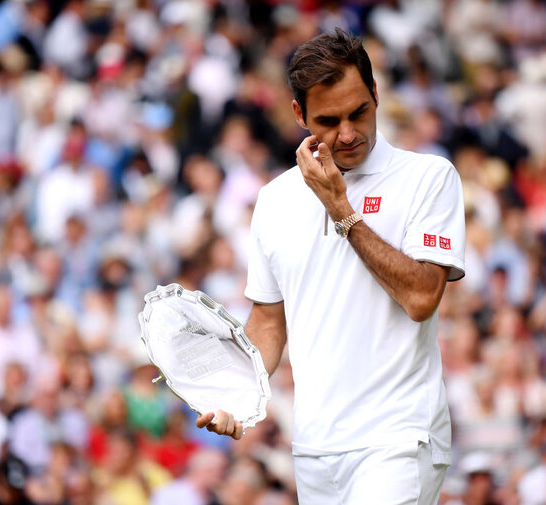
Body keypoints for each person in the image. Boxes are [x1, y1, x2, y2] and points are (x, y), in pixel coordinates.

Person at [196, 28, 466, 504]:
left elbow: (422, 297)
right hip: (315, 449)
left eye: (359, 112)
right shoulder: (274, 199)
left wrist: (342, 211)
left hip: (399, 438)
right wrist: (236, 397)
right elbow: (267, 323)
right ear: (299, 115)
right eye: (328, 119)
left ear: (376, 93)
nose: (347, 133)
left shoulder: (429, 177)